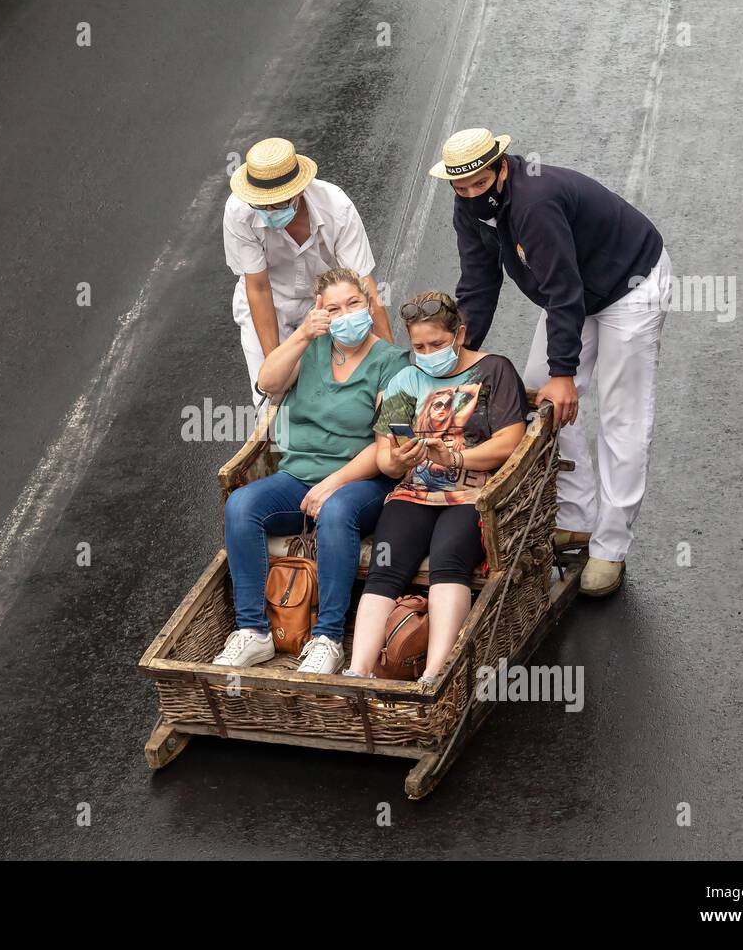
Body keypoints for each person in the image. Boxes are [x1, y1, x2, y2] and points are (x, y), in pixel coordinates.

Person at [434, 127, 672, 596]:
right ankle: (577, 516)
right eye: (460, 188)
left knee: (621, 416)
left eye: (478, 184)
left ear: (500, 167)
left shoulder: (534, 202)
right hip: (571, 291)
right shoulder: (469, 205)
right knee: (541, 395)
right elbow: (479, 283)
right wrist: (457, 356)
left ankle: (610, 546)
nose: (469, 194)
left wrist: (566, 373)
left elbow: (565, 292)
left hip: (630, 284)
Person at [213, 268, 406, 675]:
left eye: (354, 303)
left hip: (361, 481)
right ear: (321, 313)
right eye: (334, 308)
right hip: (299, 475)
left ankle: (328, 638)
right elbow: (267, 381)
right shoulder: (312, 349)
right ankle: (254, 632)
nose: (346, 314)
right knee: (242, 505)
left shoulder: (392, 362)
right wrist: (302, 334)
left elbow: (384, 446)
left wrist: (332, 485)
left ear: (369, 305)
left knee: (336, 511)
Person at [346, 292, 526, 684]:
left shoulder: (494, 370)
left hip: (472, 494)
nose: (428, 353)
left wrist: (456, 459)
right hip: (414, 492)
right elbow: (383, 458)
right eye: (420, 347)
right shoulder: (404, 381)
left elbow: (512, 442)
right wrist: (399, 459)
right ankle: (358, 671)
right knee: (385, 567)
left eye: (438, 344)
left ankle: (435, 674)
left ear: (459, 335)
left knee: (448, 561)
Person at [225, 138, 393, 405]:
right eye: (261, 205)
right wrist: (278, 365)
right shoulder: (238, 211)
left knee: (342, 382)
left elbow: (365, 286)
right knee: (270, 395)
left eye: (278, 204)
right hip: (271, 302)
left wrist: (392, 365)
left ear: (299, 191)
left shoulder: (337, 207)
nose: (269, 212)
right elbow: (258, 287)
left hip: (328, 301)